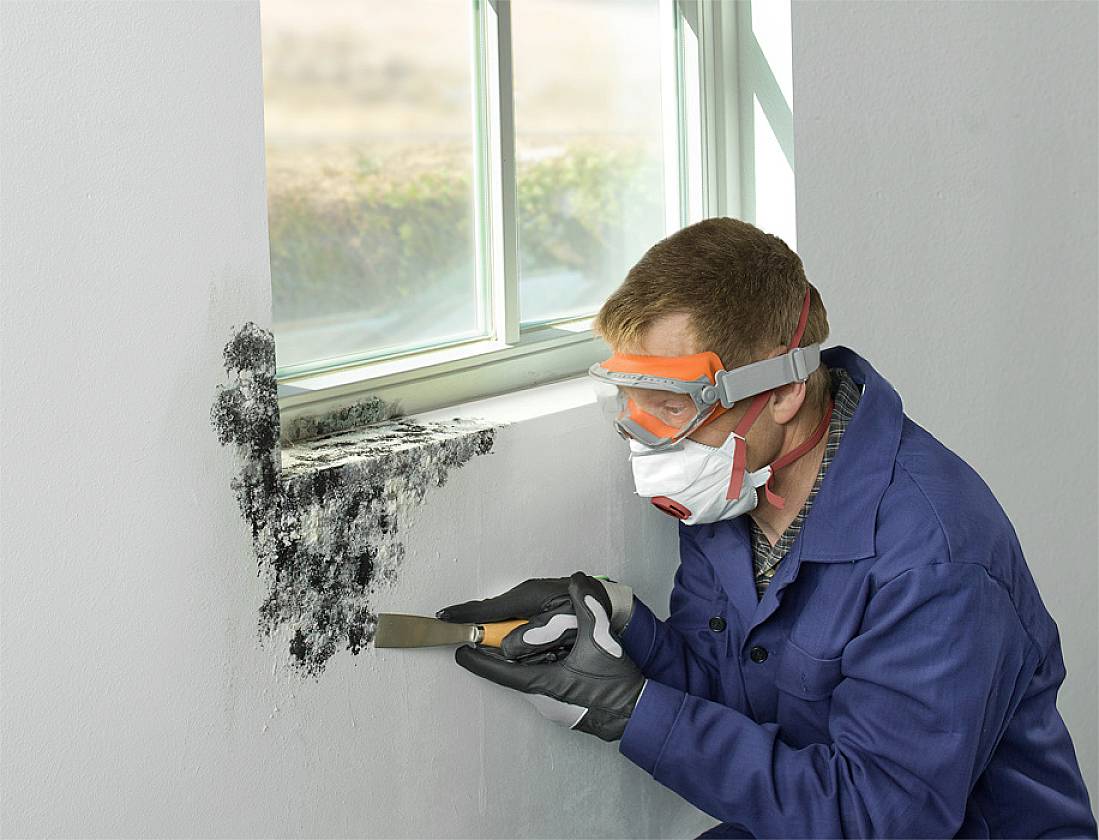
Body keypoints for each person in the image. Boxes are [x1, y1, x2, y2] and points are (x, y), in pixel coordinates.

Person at [437, 217, 1097, 838]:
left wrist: (632, 710)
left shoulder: (931, 557)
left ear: (782, 389)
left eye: (669, 405)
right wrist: (621, 624)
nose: (646, 438)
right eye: (629, 400)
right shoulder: (731, 487)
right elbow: (733, 693)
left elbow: (879, 818)